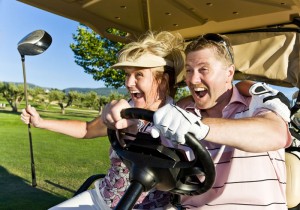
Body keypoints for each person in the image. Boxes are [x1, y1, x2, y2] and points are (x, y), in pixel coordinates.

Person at [21, 30, 186, 209]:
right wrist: (41, 122)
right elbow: (87, 129)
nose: (128, 83)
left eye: (139, 74)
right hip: (101, 200)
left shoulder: (180, 119)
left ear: (163, 80)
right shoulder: (123, 109)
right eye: (127, 74)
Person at [149, 33, 292, 210]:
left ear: (229, 73)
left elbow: (275, 134)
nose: (192, 80)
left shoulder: (255, 102)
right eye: (189, 70)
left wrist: (200, 127)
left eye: (203, 69)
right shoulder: (181, 112)